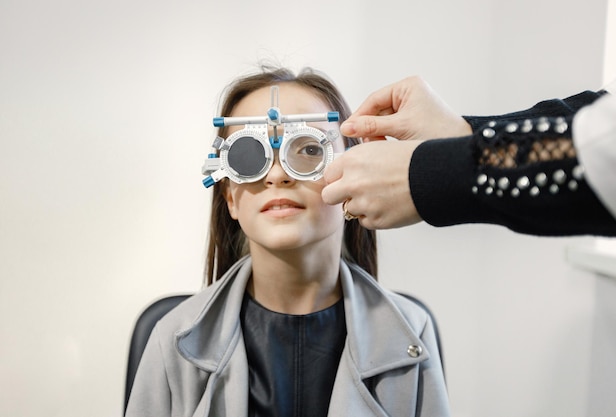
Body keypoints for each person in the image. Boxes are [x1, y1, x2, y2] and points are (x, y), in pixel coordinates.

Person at [125, 67, 449, 417]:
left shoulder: (410, 334)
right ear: (231, 198)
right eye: (248, 154)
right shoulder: (170, 338)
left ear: (352, 180)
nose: (277, 174)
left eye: (309, 149)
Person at [322, 72, 616, 237]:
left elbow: (608, 143)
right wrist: (462, 132)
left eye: (309, 149)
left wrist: (428, 172)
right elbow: (604, 116)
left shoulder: (414, 324)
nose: (279, 176)